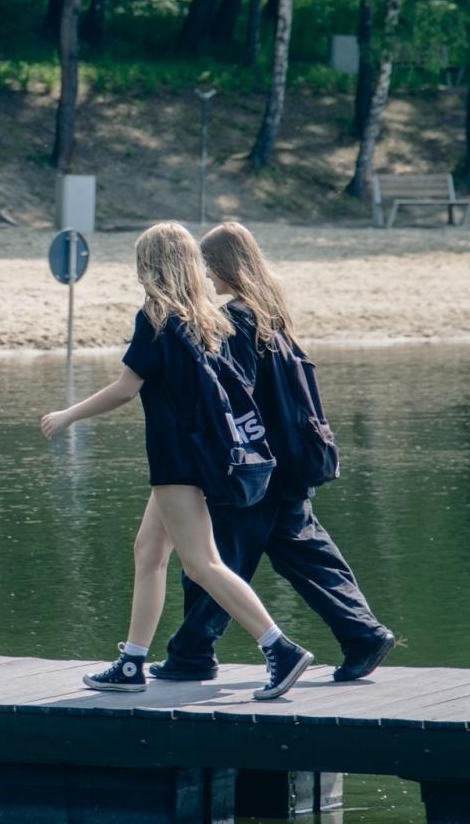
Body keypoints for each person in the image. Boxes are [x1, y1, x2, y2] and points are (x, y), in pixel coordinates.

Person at [40, 221, 313, 700]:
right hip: (200, 458)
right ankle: (131, 662)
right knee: (148, 552)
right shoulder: (208, 316)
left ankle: (280, 649)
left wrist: (68, 415)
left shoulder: (157, 316)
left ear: (150, 265)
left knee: (203, 563)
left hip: (177, 463)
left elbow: (126, 388)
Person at [150, 222, 394, 683]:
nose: (204, 277)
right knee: (307, 555)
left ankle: (191, 654)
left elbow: (232, 400)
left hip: (258, 465)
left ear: (222, 265)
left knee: (215, 558)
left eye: (208, 266)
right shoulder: (270, 314)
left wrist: (212, 457)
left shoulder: (237, 322)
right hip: (292, 457)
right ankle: (363, 633)